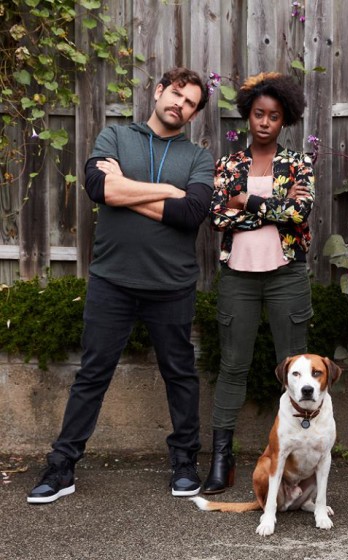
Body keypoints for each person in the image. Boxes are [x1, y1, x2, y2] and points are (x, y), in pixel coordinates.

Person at [27, 67, 215, 504]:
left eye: (189, 103)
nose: (179, 105)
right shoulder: (115, 138)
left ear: (194, 113)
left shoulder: (199, 158)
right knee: (92, 374)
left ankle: (184, 462)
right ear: (159, 91)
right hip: (112, 280)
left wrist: (124, 191)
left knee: (180, 375)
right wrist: (167, 191)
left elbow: (191, 215)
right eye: (175, 95)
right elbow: (97, 187)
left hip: (172, 284)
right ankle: (62, 467)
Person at [204, 72, 314, 494]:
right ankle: (221, 458)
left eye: (274, 116)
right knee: (233, 366)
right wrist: (274, 208)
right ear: (248, 117)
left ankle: (298, 459)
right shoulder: (229, 164)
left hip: (287, 275)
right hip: (238, 278)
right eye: (258, 114)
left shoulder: (298, 163)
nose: (265, 122)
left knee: (294, 368)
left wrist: (246, 201)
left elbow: (299, 214)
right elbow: (217, 217)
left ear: (283, 120)